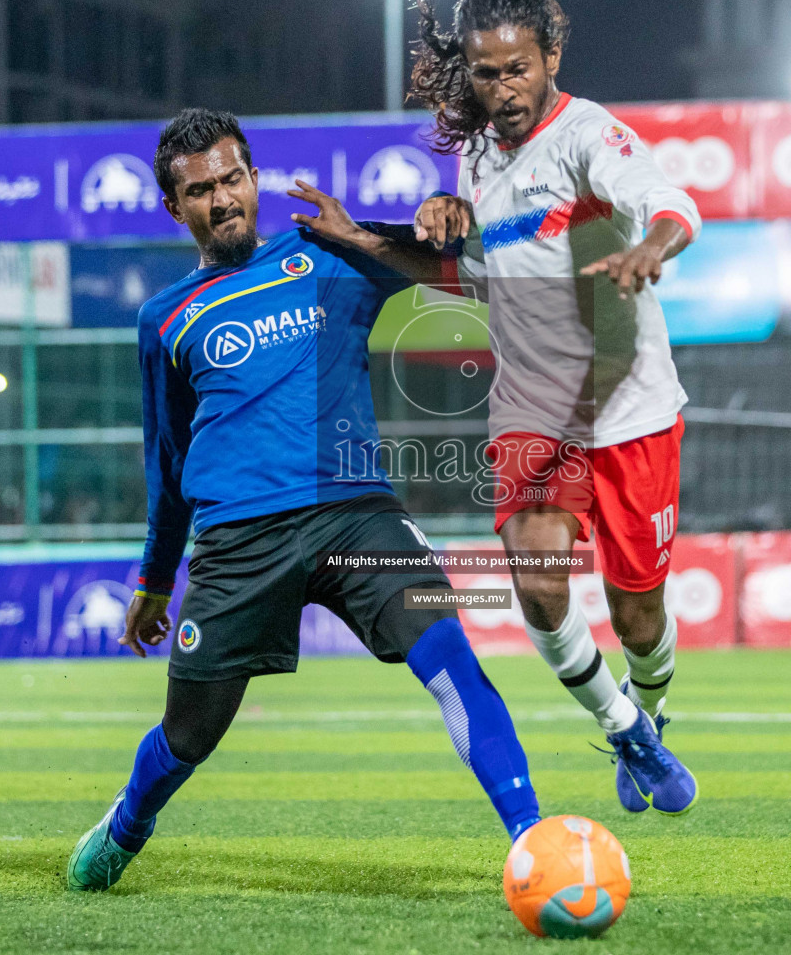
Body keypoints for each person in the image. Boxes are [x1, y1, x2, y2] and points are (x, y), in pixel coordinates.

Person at [67, 109, 541, 892]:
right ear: (173, 209)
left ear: (253, 179)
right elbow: (169, 459)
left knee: (450, 655)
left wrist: (447, 217)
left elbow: (479, 270)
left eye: (231, 180)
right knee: (188, 737)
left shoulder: (329, 251)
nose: (222, 200)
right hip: (236, 541)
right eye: (200, 191)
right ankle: (127, 824)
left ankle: (531, 839)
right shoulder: (164, 319)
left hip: (358, 513)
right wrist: (154, 580)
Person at [338, 0, 700, 815]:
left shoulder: (588, 136)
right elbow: (479, 274)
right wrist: (399, 229)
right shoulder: (474, 156)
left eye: (517, 69)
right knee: (537, 580)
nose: (502, 89)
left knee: (638, 618)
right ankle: (625, 733)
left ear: (552, 56)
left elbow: (671, 200)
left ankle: (652, 711)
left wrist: (654, 246)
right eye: (485, 71)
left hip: (632, 410)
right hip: (536, 411)